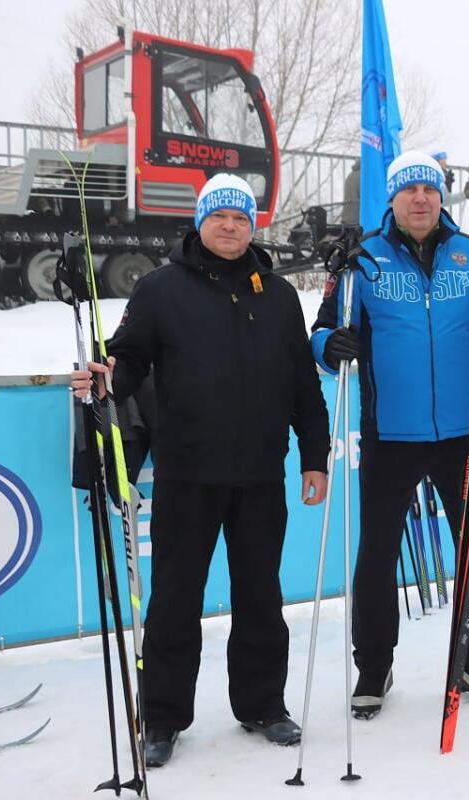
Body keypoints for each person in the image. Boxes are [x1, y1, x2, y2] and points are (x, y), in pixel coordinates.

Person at [70, 173, 331, 767]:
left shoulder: (279, 294)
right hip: (189, 473)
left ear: (252, 224)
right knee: (175, 599)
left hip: (263, 474)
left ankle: (263, 704)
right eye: (220, 217)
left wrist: (314, 456)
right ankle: (162, 718)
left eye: (241, 217)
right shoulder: (162, 289)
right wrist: (104, 379)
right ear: (200, 222)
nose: (231, 226)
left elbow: (302, 384)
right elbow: (128, 359)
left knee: (261, 595)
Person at [310, 151, 469, 719]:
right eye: (410, 191)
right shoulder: (363, 262)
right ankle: (374, 669)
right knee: (376, 556)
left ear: (441, 198)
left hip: (465, 435)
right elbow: (324, 330)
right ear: (394, 200)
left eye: (430, 190)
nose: (421, 199)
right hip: (390, 434)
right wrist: (329, 347)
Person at [428, 148, 469, 213]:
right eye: (444, 161)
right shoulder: (435, 177)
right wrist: (464, 195)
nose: (446, 164)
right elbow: (445, 200)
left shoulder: (432, 175)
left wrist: (447, 186)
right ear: (437, 162)